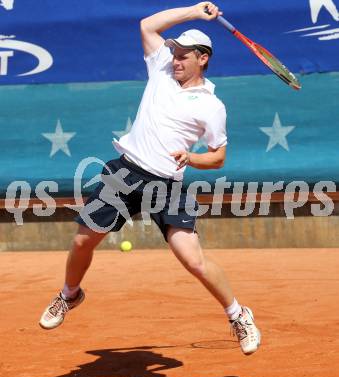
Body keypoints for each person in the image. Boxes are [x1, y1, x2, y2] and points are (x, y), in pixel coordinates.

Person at [39, 2, 261, 356]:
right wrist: (192, 11)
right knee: (83, 241)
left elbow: (218, 157)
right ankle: (69, 295)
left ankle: (238, 315)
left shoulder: (212, 106)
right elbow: (147, 25)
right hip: (127, 171)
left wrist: (192, 157)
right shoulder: (160, 69)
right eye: (175, 53)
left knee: (193, 260)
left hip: (166, 185)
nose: (176, 59)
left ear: (202, 58)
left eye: (184, 55)